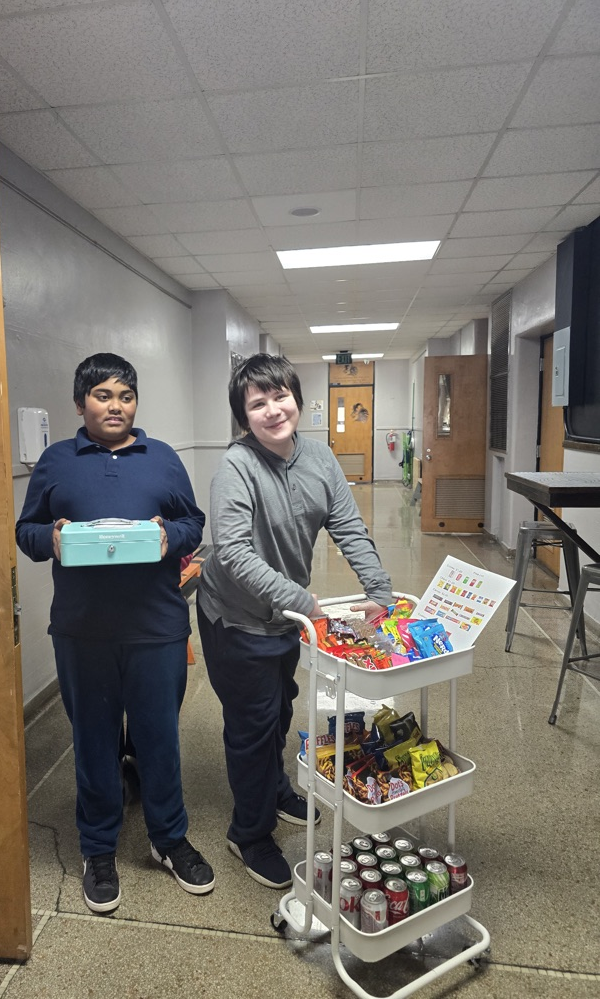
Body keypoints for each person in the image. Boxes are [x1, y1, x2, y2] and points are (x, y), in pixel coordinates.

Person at [16, 353, 214, 914]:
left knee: (159, 740)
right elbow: (25, 530)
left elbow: (193, 523)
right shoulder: (57, 462)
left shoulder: (163, 459)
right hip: (83, 632)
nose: (116, 406)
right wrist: (50, 537)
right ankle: (98, 849)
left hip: (155, 626)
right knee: (95, 743)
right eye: (103, 396)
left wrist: (166, 536)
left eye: (125, 396)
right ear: (80, 404)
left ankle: (169, 839)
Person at [196, 354, 393, 889]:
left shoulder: (320, 457)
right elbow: (233, 554)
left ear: (298, 399)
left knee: (279, 709)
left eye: (280, 395)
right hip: (235, 618)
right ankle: (249, 833)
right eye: (257, 403)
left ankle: (276, 788)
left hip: (284, 618)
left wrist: (379, 588)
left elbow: (348, 525)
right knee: (252, 725)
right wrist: (303, 601)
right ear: (244, 417)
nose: (272, 409)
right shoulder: (236, 467)